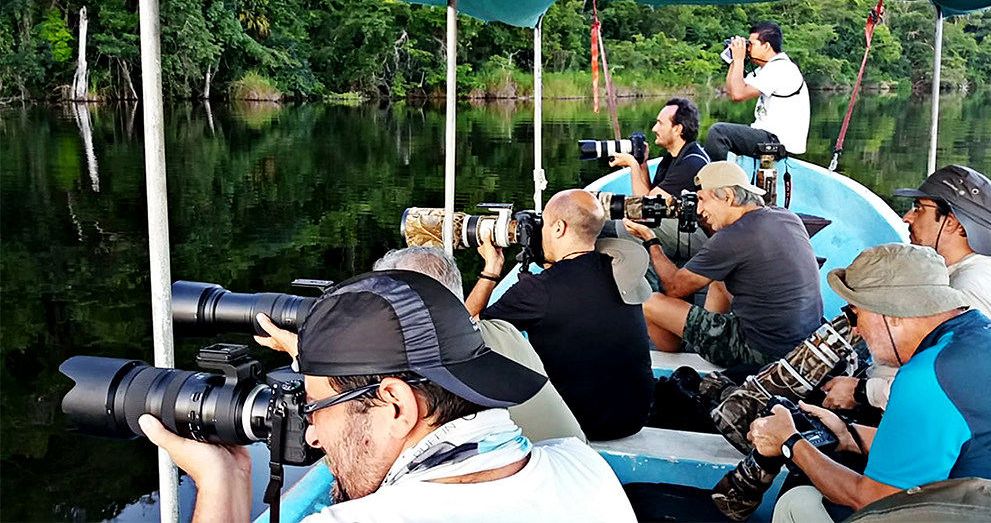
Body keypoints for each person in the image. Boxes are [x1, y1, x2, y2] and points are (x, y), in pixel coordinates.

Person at [140, 271, 638, 523]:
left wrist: (220, 480)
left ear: (397, 405)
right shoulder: (584, 466)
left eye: (315, 409)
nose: (311, 432)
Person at [747, 243, 991, 523]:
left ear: (890, 315)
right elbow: (942, 442)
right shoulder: (983, 338)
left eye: (853, 313)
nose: (854, 328)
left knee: (798, 503)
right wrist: (847, 435)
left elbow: (875, 501)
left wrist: (789, 442)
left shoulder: (928, 376)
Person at [252, 246, 585, 443]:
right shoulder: (503, 332)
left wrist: (310, 355)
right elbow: (454, 326)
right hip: (576, 473)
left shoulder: (422, 385)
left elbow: (357, 432)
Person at [467, 189, 655, 441]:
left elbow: (468, 327)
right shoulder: (619, 268)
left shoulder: (538, 291)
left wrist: (491, 269)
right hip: (634, 418)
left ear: (558, 228)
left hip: (579, 424)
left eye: (543, 224)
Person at [822, 165, 991, 411]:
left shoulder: (974, 284)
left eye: (918, 208)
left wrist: (862, 392)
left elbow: (961, 383)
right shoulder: (958, 272)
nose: (907, 217)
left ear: (951, 223)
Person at [623, 161, 822, 367]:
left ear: (728, 196)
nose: (698, 209)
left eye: (702, 199)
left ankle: (679, 355)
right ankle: (703, 337)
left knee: (648, 302)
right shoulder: (786, 216)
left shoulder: (733, 237)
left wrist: (651, 240)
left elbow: (674, 287)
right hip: (801, 344)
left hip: (761, 352)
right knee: (718, 280)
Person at [606, 98, 711, 265]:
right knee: (624, 221)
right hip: (682, 226)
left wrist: (632, 165)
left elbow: (644, 206)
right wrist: (642, 163)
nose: (654, 129)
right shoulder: (673, 157)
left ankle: (653, 286)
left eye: (660, 123)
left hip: (699, 235)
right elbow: (649, 197)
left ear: (677, 129)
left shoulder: (691, 163)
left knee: (630, 226)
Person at [705, 21, 810, 161]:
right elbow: (732, 90)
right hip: (767, 138)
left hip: (778, 144)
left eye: (751, 44)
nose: (748, 49)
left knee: (718, 133)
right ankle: (722, 175)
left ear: (766, 46)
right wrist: (734, 61)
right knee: (718, 138)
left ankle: (718, 179)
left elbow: (738, 94)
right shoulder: (765, 69)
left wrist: (739, 59)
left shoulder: (781, 68)